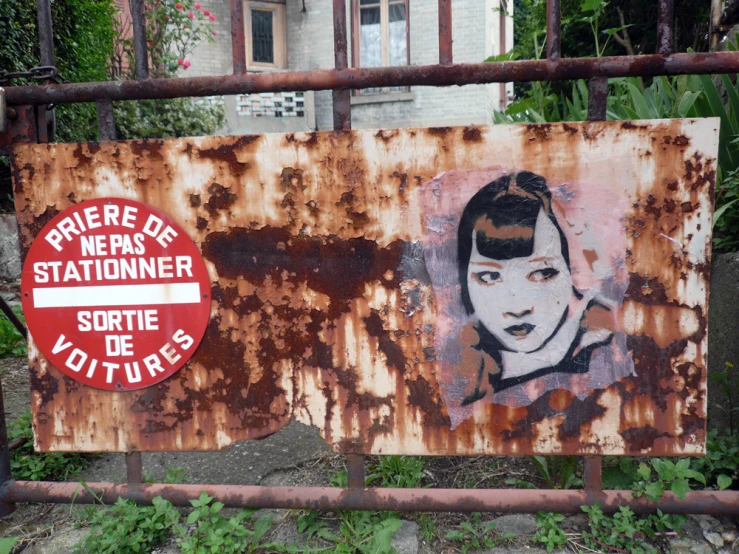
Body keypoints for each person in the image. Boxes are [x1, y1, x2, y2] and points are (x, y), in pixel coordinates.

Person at [454, 171, 618, 407]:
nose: (517, 307)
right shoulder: (464, 368)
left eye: (542, 273)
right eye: (489, 276)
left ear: (570, 270)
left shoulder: (609, 354)